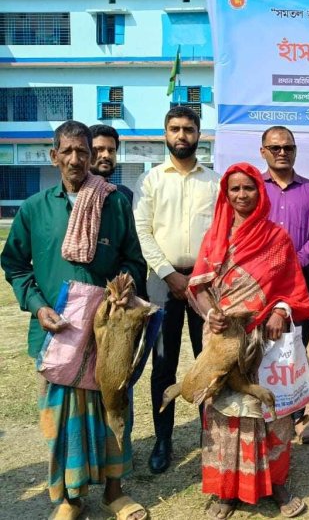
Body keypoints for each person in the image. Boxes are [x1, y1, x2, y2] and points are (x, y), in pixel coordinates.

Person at [1, 121, 148, 520]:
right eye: (67, 151)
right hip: (57, 332)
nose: (76, 159)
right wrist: (36, 304)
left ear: (92, 155)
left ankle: (114, 492)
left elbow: (134, 259)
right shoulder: (35, 208)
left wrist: (123, 285)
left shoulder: (113, 203)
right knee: (62, 420)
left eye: (82, 151)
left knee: (113, 407)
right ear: (54, 156)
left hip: (106, 333)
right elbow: (14, 264)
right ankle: (69, 498)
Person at [187, 162, 309, 520]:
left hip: (266, 341)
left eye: (249, 188)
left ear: (261, 192)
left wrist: (280, 311)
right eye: (235, 189)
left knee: (272, 411)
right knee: (225, 413)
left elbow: (292, 287)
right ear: (226, 195)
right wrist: (210, 312)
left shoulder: (276, 237)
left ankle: (277, 483)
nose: (242, 195)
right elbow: (199, 286)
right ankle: (226, 490)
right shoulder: (215, 237)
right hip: (224, 341)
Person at [133, 105, 220, 475]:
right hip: (162, 282)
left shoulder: (214, 182)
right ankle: (163, 439)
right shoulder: (150, 180)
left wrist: (198, 276)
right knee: (163, 365)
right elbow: (143, 231)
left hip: (205, 283)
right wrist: (170, 275)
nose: (181, 135)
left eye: (188, 129)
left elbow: (220, 235)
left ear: (199, 134)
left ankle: (211, 438)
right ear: (165, 134)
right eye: (175, 129)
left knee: (209, 362)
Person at [260, 125, 309, 444]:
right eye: (275, 148)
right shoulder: (254, 187)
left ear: (295, 150)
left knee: (296, 346)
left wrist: (292, 263)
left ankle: (299, 416)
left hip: (302, 280)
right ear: (264, 152)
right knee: (263, 346)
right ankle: (265, 409)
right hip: (261, 282)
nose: (282, 152)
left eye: (288, 147)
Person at [89, 124, 134, 204]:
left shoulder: (124, 195)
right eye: (99, 149)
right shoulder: (73, 192)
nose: (106, 155)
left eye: (111, 150)